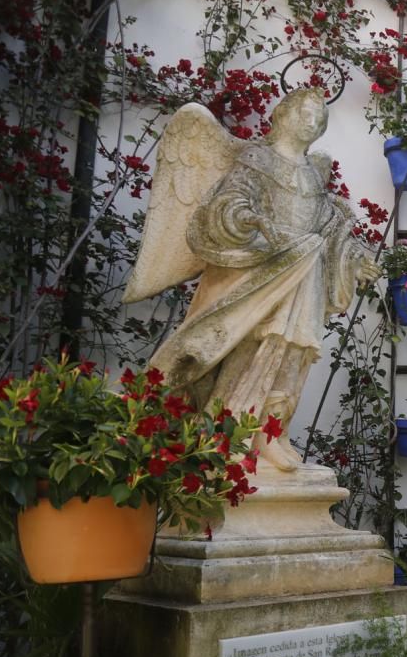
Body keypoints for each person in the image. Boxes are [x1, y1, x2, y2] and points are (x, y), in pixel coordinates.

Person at [125, 88, 379, 470]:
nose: (313, 123)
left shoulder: (313, 175)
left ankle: (271, 433)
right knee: (245, 350)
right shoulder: (256, 159)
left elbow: (330, 229)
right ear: (282, 115)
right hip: (257, 278)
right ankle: (226, 434)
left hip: (301, 278)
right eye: (306, 114)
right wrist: (249, 219)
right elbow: (227, 204)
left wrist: (356, 260)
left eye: (320, 118)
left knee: (292, 355)